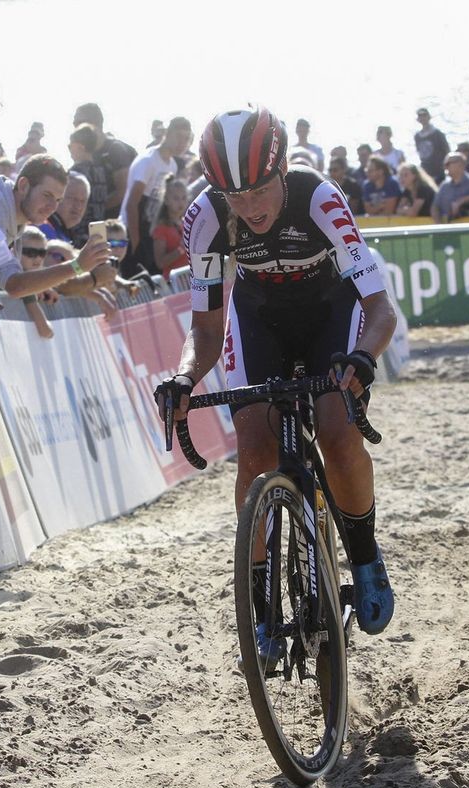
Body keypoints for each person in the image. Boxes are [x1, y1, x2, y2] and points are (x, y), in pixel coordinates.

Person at [158, 106, 397, 647]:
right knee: (254, 446)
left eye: (259, 191)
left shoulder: (320, 199)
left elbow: (380, 309)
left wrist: (362, 357)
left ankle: (364, 556)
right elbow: (207, 326)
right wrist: (184, 377)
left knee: (337, 433)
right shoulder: (206, 219)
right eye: (234, 196)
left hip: (331, 315)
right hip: (259, 320)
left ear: (283, 168)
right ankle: (261, 600)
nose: (248, 206)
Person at [0, 153, 111, 300]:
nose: (52, 207)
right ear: (23, 186)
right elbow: (15, 286)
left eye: (58, 200)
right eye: (47, 195)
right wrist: (78, 266)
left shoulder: (8, 216)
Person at [120, 115, 191, 276]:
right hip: (132, 231)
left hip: (150, 231)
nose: (183, 143)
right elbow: (132, 204)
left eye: (186, 139)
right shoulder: (148, 160)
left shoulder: (172, 165)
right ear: (168, 133)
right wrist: (136, 243)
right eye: (179, 137)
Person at [72, 102, 137, 218]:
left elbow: (123, 191)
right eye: (74, 123)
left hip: (116, 222)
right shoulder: (87, 152)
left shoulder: (115, 149)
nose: (75, 127)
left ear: (95, 123)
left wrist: (92, 208)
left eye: (78, 122)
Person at [150, 175, 189, 279]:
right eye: (176, 198)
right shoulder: (161, 229)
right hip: (174, 282)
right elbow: (160, 263)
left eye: (184, 198)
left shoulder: (186, 222)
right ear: (166, 200)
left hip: (190, 279)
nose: (181, 202)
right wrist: (181, 249)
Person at [432, 152, 469, 223]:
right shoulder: (444, 186)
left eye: (448, 164)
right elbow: (435, 207)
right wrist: (439, 224)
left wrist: (461, 201)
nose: (445, 167)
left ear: (460, 164)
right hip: (449, 227)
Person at [39, 171, 89, 246]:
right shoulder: (43, 228)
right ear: (57, 197)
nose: (78, 206)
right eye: (72, 198)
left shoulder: (63, 230)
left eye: (82, 201)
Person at [413, 107, 450, 183]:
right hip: (425, 169)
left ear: (429, 117)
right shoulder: (417, 136)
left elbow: (447, 150)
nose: (422, 118)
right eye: (420, 116)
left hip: (438, 170)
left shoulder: (437, 133)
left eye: (424, 115)